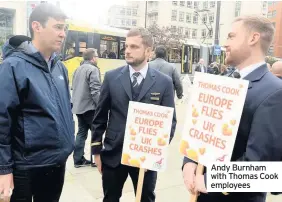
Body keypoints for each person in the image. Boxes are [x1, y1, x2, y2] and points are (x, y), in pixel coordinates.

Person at [182, 15, 282, 202]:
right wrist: (189, 162)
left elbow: (265, 168)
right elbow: (203, 132)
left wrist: (209, 179)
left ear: (253, 38)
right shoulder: (221, 82)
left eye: (231, 36)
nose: (225, 43)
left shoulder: (275, 92)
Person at [91, 27, 177, 202]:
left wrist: (154, 150)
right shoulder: (111, 77)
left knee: (146, 198)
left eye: (134, 47)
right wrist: (97, 152)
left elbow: (170, 123)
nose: (127, 51)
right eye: (127, 46)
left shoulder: (164, 83)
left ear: (148, 51)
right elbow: (99, 117)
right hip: (114, 155)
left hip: (146, 159)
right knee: (110, 198)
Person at [0, 3, 74, 202]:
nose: (63, 34)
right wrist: (3, 169)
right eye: (58, 27)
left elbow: (66, 108)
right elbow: (2, 121)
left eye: (64, 28)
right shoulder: (13, 66)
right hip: (26, 167)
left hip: (57, 163)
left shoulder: (61, 69)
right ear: (36, 26)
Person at [72, 48, 101, 168]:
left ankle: (78, 159)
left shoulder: (77, 69)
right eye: (97, 56)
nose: (98, 58)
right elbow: (95, 90)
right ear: (93, 58)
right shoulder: (93, 69)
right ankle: (96, 160)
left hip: (78, 107)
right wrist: (100, 106)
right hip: (90, 107)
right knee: (96, 133)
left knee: (81, 133)